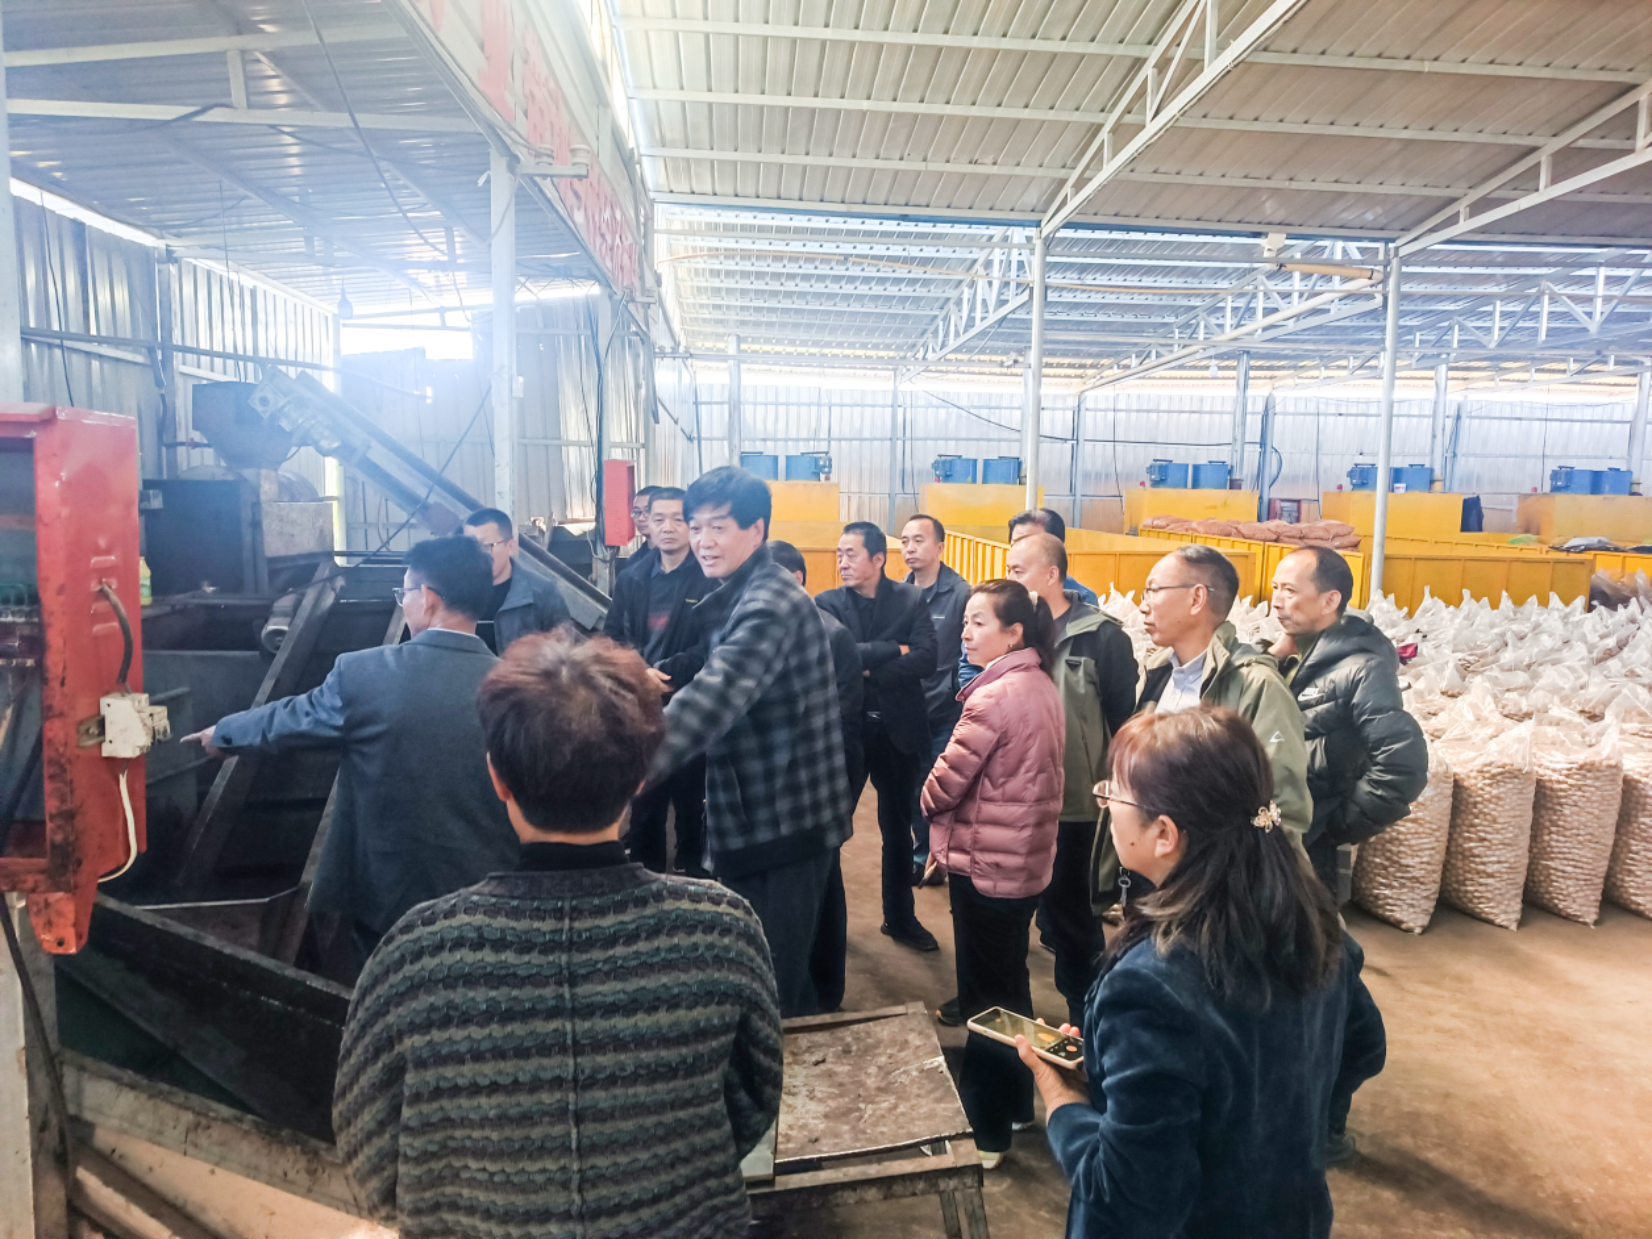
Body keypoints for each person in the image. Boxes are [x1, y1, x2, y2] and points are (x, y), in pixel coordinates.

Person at [334, 632, 783, 1239]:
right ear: (640, 778)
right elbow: (753, 1101)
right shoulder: (721, 930)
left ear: (497, 777)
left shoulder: (418, 951)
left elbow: (368, 1151)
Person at [1021, 707, 1386, 1239]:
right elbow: (1364, 1047)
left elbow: (1126, 1199)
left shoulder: (1150, 985)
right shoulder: (1310, 920)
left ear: (1164, 833)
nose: (1106, 806)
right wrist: (1273, 1123)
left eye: (1113, 794)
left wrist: (1063, 1103)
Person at [182, 536, 517, 973]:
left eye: (404, 593)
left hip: (389, 903)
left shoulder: (366, 674)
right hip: (491, 898)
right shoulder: (517, 688)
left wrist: (223, 735)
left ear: (428, 599)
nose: (403, 603)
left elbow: (291, 719)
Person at [648, 467, 852, 1017]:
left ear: (756, 530)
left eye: (718, 527)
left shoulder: (769, 605)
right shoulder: (738, 594)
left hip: (781, 824)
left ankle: (783, 1069)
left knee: (770, 987)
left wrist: (619, 775)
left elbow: (710, 700)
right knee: (777, 973)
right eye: (696, 527)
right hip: (767, 815)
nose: (703, 541)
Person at [922, 580, 1065, 1167]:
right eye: (965, 621)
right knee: (1010, 984)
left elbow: (946, 782)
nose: (965, 632)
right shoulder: (1040, 684)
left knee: (984, 999)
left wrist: (924, 800)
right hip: (1022, 860)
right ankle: (1016, 1102)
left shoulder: (992, 697)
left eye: (979, 622)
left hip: (986, 864)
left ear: (1014, 633)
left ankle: (985, 1132)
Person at [1007, 532, 1138, 1028]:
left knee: (1072, 918)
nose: (1011, 578)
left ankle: (1085, 1019)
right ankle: (1000, 1004)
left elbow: (1123, 723)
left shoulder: (1102, 638)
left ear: (1051, 574)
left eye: (1018, 569)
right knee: (1010, 910)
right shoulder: (1019, 631)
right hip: (1020, 798)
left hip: (1077, 806)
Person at [1270, 547, 1429, 899]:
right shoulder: (1286, 654)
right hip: (1271, 829)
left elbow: (1402, 765)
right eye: (1275, 588)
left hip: (1312, 843)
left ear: (1330, 601)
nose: (1276, 601)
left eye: (1290, 591)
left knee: (1308, 928)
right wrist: (1272, 656)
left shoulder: (1364, 670)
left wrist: (1339, 824)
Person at [816, 521, 940, 953]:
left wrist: (865, 665)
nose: (842, 562)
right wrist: (891, 649)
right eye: (839, 554)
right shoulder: (827, 603)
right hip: (846, 731)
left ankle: (900, 919)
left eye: (850, 554)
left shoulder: (910, 598)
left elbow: (927, 658)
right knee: (832, 829)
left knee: (899, 831)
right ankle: (825, 921)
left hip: (897, 731)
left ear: (878, 559)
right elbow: (834, 661)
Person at [603, 486, 712, 876]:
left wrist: (667, 673)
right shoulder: (631, 578)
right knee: (645, 804)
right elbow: (613, 636)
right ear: (646, 522)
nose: (668, 527)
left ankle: (695, 882)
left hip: (691, 706)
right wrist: (638, 672)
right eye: (659, 518)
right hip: (642, 708)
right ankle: (646, 883)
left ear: (692, 524)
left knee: (692, 803)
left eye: (678, 519)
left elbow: (711, 643)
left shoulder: (708, 578)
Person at [771, 540, 860, 1014]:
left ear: (797, 579)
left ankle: (826, 989)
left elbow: (842, 719)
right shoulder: (759, 632)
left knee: (824, 883)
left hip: (817, 783)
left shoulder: (832, 636)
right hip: (780, 791)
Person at [900, 513, 969, 886]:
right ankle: (921, 854)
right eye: (905, 541)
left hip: (945, 713)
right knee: (914, 788)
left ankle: (939, 857)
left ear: (940, 547)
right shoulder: (898, 593)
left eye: (919, 540)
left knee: (941, 788)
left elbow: (969, 654)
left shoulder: (960, 594)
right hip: (908, 711)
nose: (909, 548)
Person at [462, 507, 571, 652]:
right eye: (470, 547)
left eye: (486, 546)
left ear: (510, 547)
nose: (477, 555)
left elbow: (563, 651)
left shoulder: (541, 593)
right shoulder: (455, 594)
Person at [1007, 509, 1099, 605]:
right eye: (1015, 544)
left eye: (1030, 544)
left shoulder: (1083, 599)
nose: (1019, 550)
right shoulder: (1002, 594)